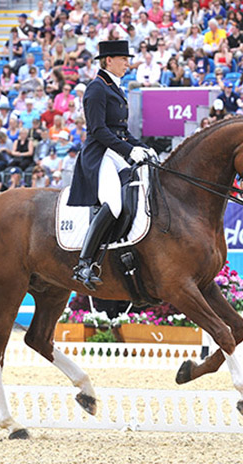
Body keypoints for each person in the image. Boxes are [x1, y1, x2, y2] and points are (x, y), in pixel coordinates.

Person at [67, 40, 156, 290]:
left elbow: (122, 131)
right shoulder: (96, 89)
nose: (128, 63)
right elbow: (98, 130)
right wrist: (129, 151)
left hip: (115, 151)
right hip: (100, 155)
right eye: (123, 59)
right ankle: (84, 263)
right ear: (109, 61)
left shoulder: (116, 88)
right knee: (114, 204)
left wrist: (146, 149)